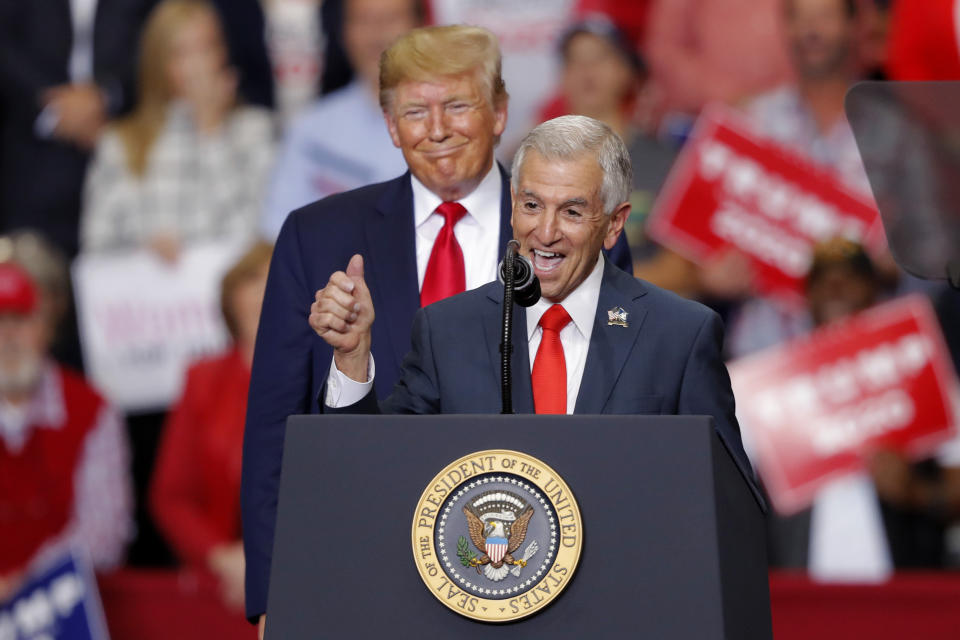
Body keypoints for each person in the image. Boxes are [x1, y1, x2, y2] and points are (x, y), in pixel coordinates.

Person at [241, 25, 633, 630]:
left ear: (500, 112)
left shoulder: (573, 229)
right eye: (415, 112)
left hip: (542, 568)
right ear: (391, 126)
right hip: (370, 569)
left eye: (457, 105)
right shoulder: (317, 236)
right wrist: (272, 593)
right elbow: (274, 429)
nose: (438, 128)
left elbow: (613, 412)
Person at [312, 114, 753, 493]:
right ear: (512, 207)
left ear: (615, 224)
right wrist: (352, 359)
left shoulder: (678, 334)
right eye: (531, 205)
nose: (545, 232)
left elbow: (729, 497)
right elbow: (376, 472)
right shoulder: (447, 331)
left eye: (572, 212)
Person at [80, 0, 275, 260]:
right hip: (150, 297)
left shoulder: (256, 130)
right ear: (158, 62)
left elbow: (255, 236)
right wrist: (145, 251)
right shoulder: (120, 141)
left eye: (207, 48)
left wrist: (212, 133)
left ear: (224, 53)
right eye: (181, 53)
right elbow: (95, 245)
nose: (197, 66)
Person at [0, 238, 133, 599]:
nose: (8, 336)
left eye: (22, 317)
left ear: (50, 319)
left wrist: (23, 585)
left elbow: (104, 535)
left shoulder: (92, 409)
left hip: (64, 613)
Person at [150, 241, 271, 612]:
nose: (263, 292)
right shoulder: (201, 380)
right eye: (252, 279)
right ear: (231, 297)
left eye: (276, 280)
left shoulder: (326, 379)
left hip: (301, 581)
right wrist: (223, 557)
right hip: (216, 588)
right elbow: (170, 497)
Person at [0, 0, 158, 258]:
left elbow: (157, 43)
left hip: (123, 146)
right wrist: (58, 111)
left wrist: (103, 97)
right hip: (32, 153)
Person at [260, 0, 418, 237]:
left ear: (421, 27)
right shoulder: (310, 128)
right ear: (343, 31)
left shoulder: (454, 125)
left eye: (390, 19)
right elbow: (277, 233)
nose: (376, 35)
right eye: (363, 20)